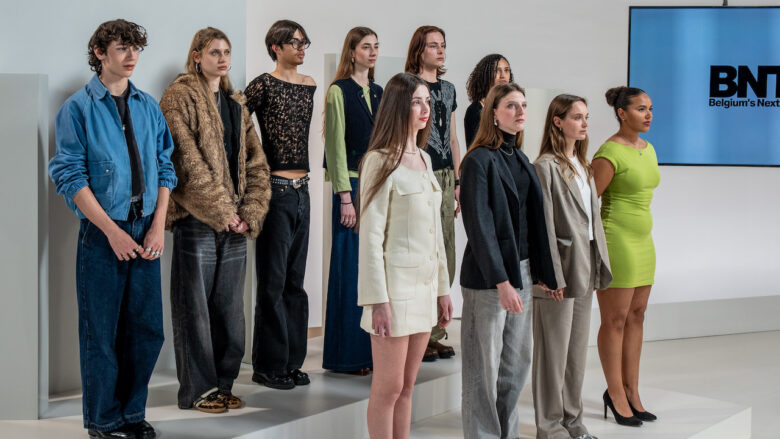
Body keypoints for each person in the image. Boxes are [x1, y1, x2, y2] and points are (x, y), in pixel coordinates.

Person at [48, 19, 176, 439]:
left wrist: (157, 226)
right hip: (103, 235)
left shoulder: (148, 106)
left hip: (146, 231)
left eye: (136, 48)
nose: (132, 56)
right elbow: (70, 177)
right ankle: (103, 421)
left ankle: (133, 413)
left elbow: (165, 168)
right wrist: (111, 231)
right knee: (100, 333)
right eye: (122, 48)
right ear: (100, 53)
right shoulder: (77, 108)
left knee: (147, 330)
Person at [160, 27, 271, 414]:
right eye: (214, 52)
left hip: (235, 223)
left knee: (229, 311)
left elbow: (256, 162)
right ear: (196, 56)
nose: (223, 59)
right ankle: (198, 390)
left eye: (226, 52)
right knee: (194, 309)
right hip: (196, 220)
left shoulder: (236, 102)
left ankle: (223, 384)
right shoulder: (177, 97)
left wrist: (248, 212)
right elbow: (184, 162)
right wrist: (222, 211)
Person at [459, 82, 558, 439]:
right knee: (482, 369)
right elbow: (479, 227)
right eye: (512, 106)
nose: (520, 112)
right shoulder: (477, 160)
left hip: (523, 271)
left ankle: (507, 434)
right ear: (494, 114)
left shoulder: (522, 160)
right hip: (490, 278)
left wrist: (544, 273)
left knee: (515, 366)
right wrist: (502, 281)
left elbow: (534, 222)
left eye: (524, 106)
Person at [357, 72, 453, 439]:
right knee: (388, 389)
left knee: (408, 387)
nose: (425, 108)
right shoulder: (379, 161)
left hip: (424, 290)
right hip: (394, 293)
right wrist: (377, 301)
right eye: (416, 102)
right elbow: (370, 238)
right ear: (398, 106)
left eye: (427, 101)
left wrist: (443, 290)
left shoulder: (426, 159)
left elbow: (435, 237)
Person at [532, 94, 612, 439]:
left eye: (586, 117)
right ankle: (549, 427)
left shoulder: (584, 164)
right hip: (559, 269)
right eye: (577, 117)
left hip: (586, 263)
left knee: (576, 352)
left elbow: (591, 220)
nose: (584, 123)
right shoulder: (545, 166)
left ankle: (573, 421)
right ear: (557, 121)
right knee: (553, 354)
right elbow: (543, 225)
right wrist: (550, 274)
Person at [245, 19, 317, 390]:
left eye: (304, 42)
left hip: (303, 191)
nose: (302, 48)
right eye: (295, 42)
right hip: (274, 191)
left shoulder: (309, 84)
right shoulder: (263, 84)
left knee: (295, 283)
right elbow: (236, 124)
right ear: (276, 47)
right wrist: (253, 169)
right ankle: (268, 366)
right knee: (272, 281)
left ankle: (291, 362)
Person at [592, 86, 660, 426]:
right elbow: (587, 204)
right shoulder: (608, 152)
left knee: (637, 316)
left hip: (644, 242)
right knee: (615, 320)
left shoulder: (649, 149)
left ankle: (632, 391)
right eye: (640, 109)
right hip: (617, 240)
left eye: (650, 108)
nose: (648, 115)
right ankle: (615, 393)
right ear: (622, 113)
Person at [322, 26, 382, 375]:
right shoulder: (338, 91)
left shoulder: (379, 91)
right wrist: (345, 197)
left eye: (376, 47)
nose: (372, 52)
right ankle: (345, 356)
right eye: (366, 47)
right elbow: (335, 147)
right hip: (352, 187)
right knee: (350, 269)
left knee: (373, 269)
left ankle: (372, 352)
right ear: (352, 52)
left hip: (377, 185)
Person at [404, 25, 460, 361]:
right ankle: (418, 332)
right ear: (419, 49)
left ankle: (434, 331)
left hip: (446, 174)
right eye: (433, 45)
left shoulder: (449, 89)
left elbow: (452, 138)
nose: (440, 51)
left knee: (445, 252)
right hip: (420, 170)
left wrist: (459, 181)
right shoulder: (409, 85)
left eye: (443, 45)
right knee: (422, 251)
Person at [464, 54, 513, 147]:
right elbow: (476, 150)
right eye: (497, 70)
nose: (503, 76)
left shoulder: (509, 109)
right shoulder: (475, 110)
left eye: (506, 70)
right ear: (486, 75)